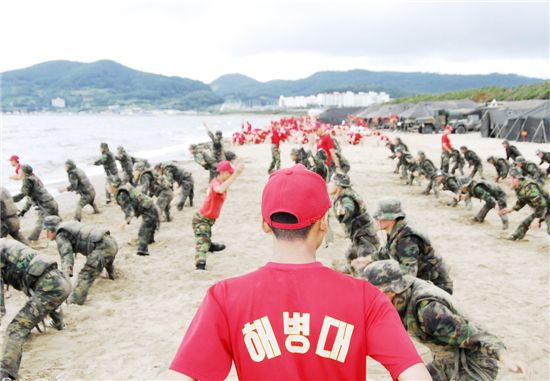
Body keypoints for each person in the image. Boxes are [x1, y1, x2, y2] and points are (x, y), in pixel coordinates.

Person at [168, 164, 431, 381]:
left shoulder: (225, 297)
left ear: (265, 225)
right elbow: (415, 374)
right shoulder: (365, 297)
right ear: (323, 223)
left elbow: (182, 375)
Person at [363, 260, 531, 381]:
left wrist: (505, 357)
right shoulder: (399, 297)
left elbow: (475, 336)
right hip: (444, 361)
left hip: (471, 366)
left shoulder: (429, 310)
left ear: (391, 290)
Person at [0, 238, 71, 381]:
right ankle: (59, 324)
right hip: (61, 282)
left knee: (15, 328)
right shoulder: (5, 244)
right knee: (44, 303)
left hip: (49, 287)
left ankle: (5, 373)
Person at [362, 198, 453, 294]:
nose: (377, 220)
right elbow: (387, 250)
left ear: (392, 218)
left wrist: (389, 290)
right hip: (423, 279)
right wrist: (369, 259)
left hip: (436, 284)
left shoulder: (407, 238)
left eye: (381, 217)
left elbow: (408, 273)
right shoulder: (396, 229)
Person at [43, 216, 118, 305]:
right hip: (111, 242)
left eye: (46, 231)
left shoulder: (61, 235)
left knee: (85, 274)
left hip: (103, 247)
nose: (46, 234)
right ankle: (112, 275)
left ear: (51, 229)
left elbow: (66, 256)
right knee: (101, 260)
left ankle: (75, 302)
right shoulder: (69, 225)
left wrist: (66, 276)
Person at [192, 160, 244, 270]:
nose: (230, 175)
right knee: (202, 243)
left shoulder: (221, 182)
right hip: (201, 220)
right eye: (229, 173)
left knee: (206, 236)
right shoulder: (216, 183)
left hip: (209, 220)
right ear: (223, 173)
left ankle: (210, 245)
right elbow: (219, 190)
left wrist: (236, 170)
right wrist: (235, 175)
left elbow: (226, 184)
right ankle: (200, 265)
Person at [329, 173, 379, 263]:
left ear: (338, 186)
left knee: (365, 264)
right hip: (358, 237)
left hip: (365, 238)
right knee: (350, 257)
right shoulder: (343, 195)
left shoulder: (346, 198)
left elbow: (349, 207)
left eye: (331, 182)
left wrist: (344, 211)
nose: (329, 184)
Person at [12, 165, 59, 243]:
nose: (18, 173)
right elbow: (30, 198)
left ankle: (32, 239)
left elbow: (22, 194)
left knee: (40, 223)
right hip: (52, 203)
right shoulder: (34, 178)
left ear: (23, 173)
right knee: (58, 221)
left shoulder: (27, 180)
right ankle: (68, 232)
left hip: (46, 205)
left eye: (20, 171)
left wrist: (9, 199)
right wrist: (24, 210)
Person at [499, 168, 549, 240]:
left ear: (516, 178)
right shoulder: (519, 187)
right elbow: (522, 200)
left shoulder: (529, 187)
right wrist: (512, 209)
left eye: (509, 178)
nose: (507, 181)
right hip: (541, 209)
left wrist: (537, 219)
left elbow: (542, 204)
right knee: (525, 224)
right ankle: (515, 237)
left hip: (546, 208)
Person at [113, 181, 160, 256]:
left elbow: (130, 211)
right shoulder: (124, 188)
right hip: (151, 207)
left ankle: (142, 251)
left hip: (148, 209)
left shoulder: (121, 194)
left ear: (112, 186)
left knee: (143, 231)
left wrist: (125, 221)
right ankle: (150, 240)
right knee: (149, 227)